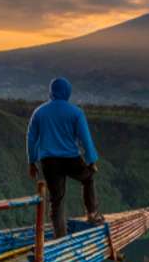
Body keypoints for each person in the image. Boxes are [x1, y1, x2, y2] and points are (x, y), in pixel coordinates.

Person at [26, 77, 102, 237]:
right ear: (68, 92)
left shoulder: (39, 112)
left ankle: (60, 235)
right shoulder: (76, 112)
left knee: (57, 199)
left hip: (48, 161)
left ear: (51, 92)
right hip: (71, 158)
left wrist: (32, 161)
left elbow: (31, 138)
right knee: (88, 179)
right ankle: (93, 214)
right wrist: (91, 160)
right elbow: (85, 139)